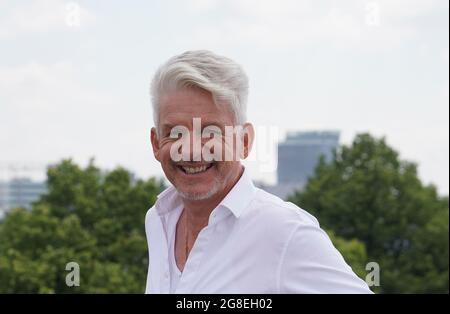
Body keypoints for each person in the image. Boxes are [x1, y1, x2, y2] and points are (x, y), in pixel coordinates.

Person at [145, 50, 372, 294]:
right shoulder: (159, 221)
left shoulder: (284, 231)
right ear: (156, 143)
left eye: (211, 132)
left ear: (244, 141)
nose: (190, 150)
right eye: (175, 132)